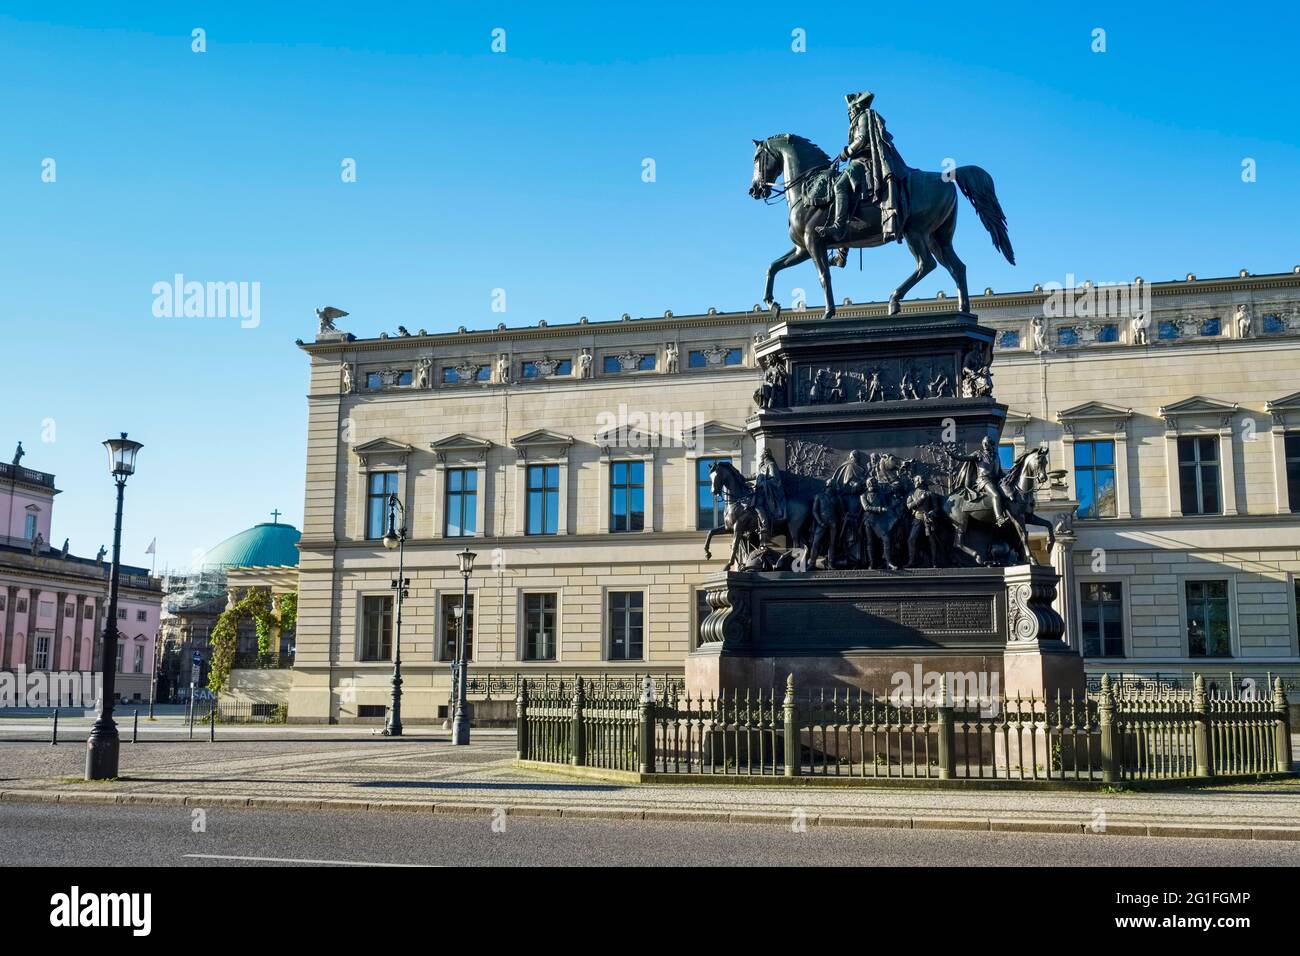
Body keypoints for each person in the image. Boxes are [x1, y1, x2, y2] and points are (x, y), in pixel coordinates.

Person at [817, 91, 909, 245]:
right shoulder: (857, 120)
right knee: (846, 194)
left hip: (865, 161)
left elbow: (862, 139)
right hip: (858, 161)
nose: (849, 113)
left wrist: (846, 152)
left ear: (856, 107)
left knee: (839, 185)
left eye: (850, 110)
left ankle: (839, 226)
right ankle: (842, 251)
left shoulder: (863, 116)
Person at [947, 436, 1012, 526]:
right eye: (983, 443)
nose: (984, 444)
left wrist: (1009, 476)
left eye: (987, 442)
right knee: (996, 495)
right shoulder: (979, 454)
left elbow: (1000, 472)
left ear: (991, 444)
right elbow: (964, 458)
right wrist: (952, 455)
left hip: (996, 480)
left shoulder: (996, 456)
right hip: (984, 480)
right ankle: (999, 518)